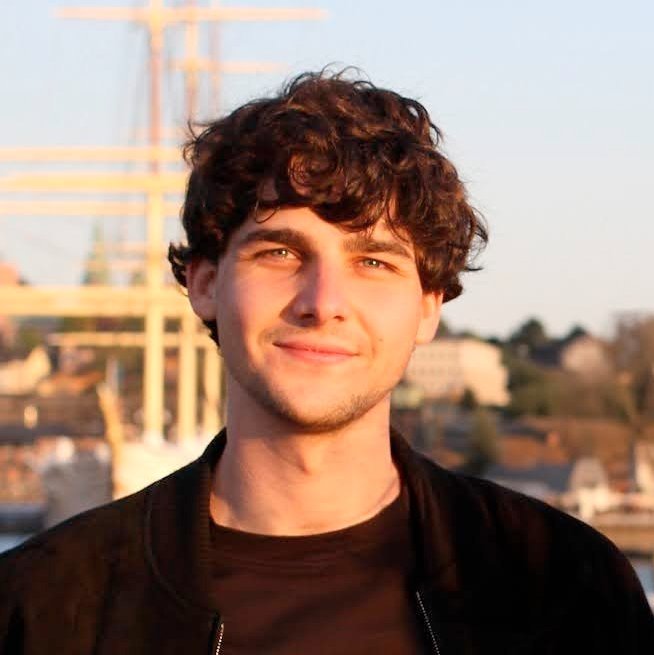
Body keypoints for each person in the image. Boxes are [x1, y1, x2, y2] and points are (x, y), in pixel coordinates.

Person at [1, 70, 653, 654]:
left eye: (373, 261)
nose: (323, 302)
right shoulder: (45, 606)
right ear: (205, 284)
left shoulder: (565, 589)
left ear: (428, 307)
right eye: (280, 253)